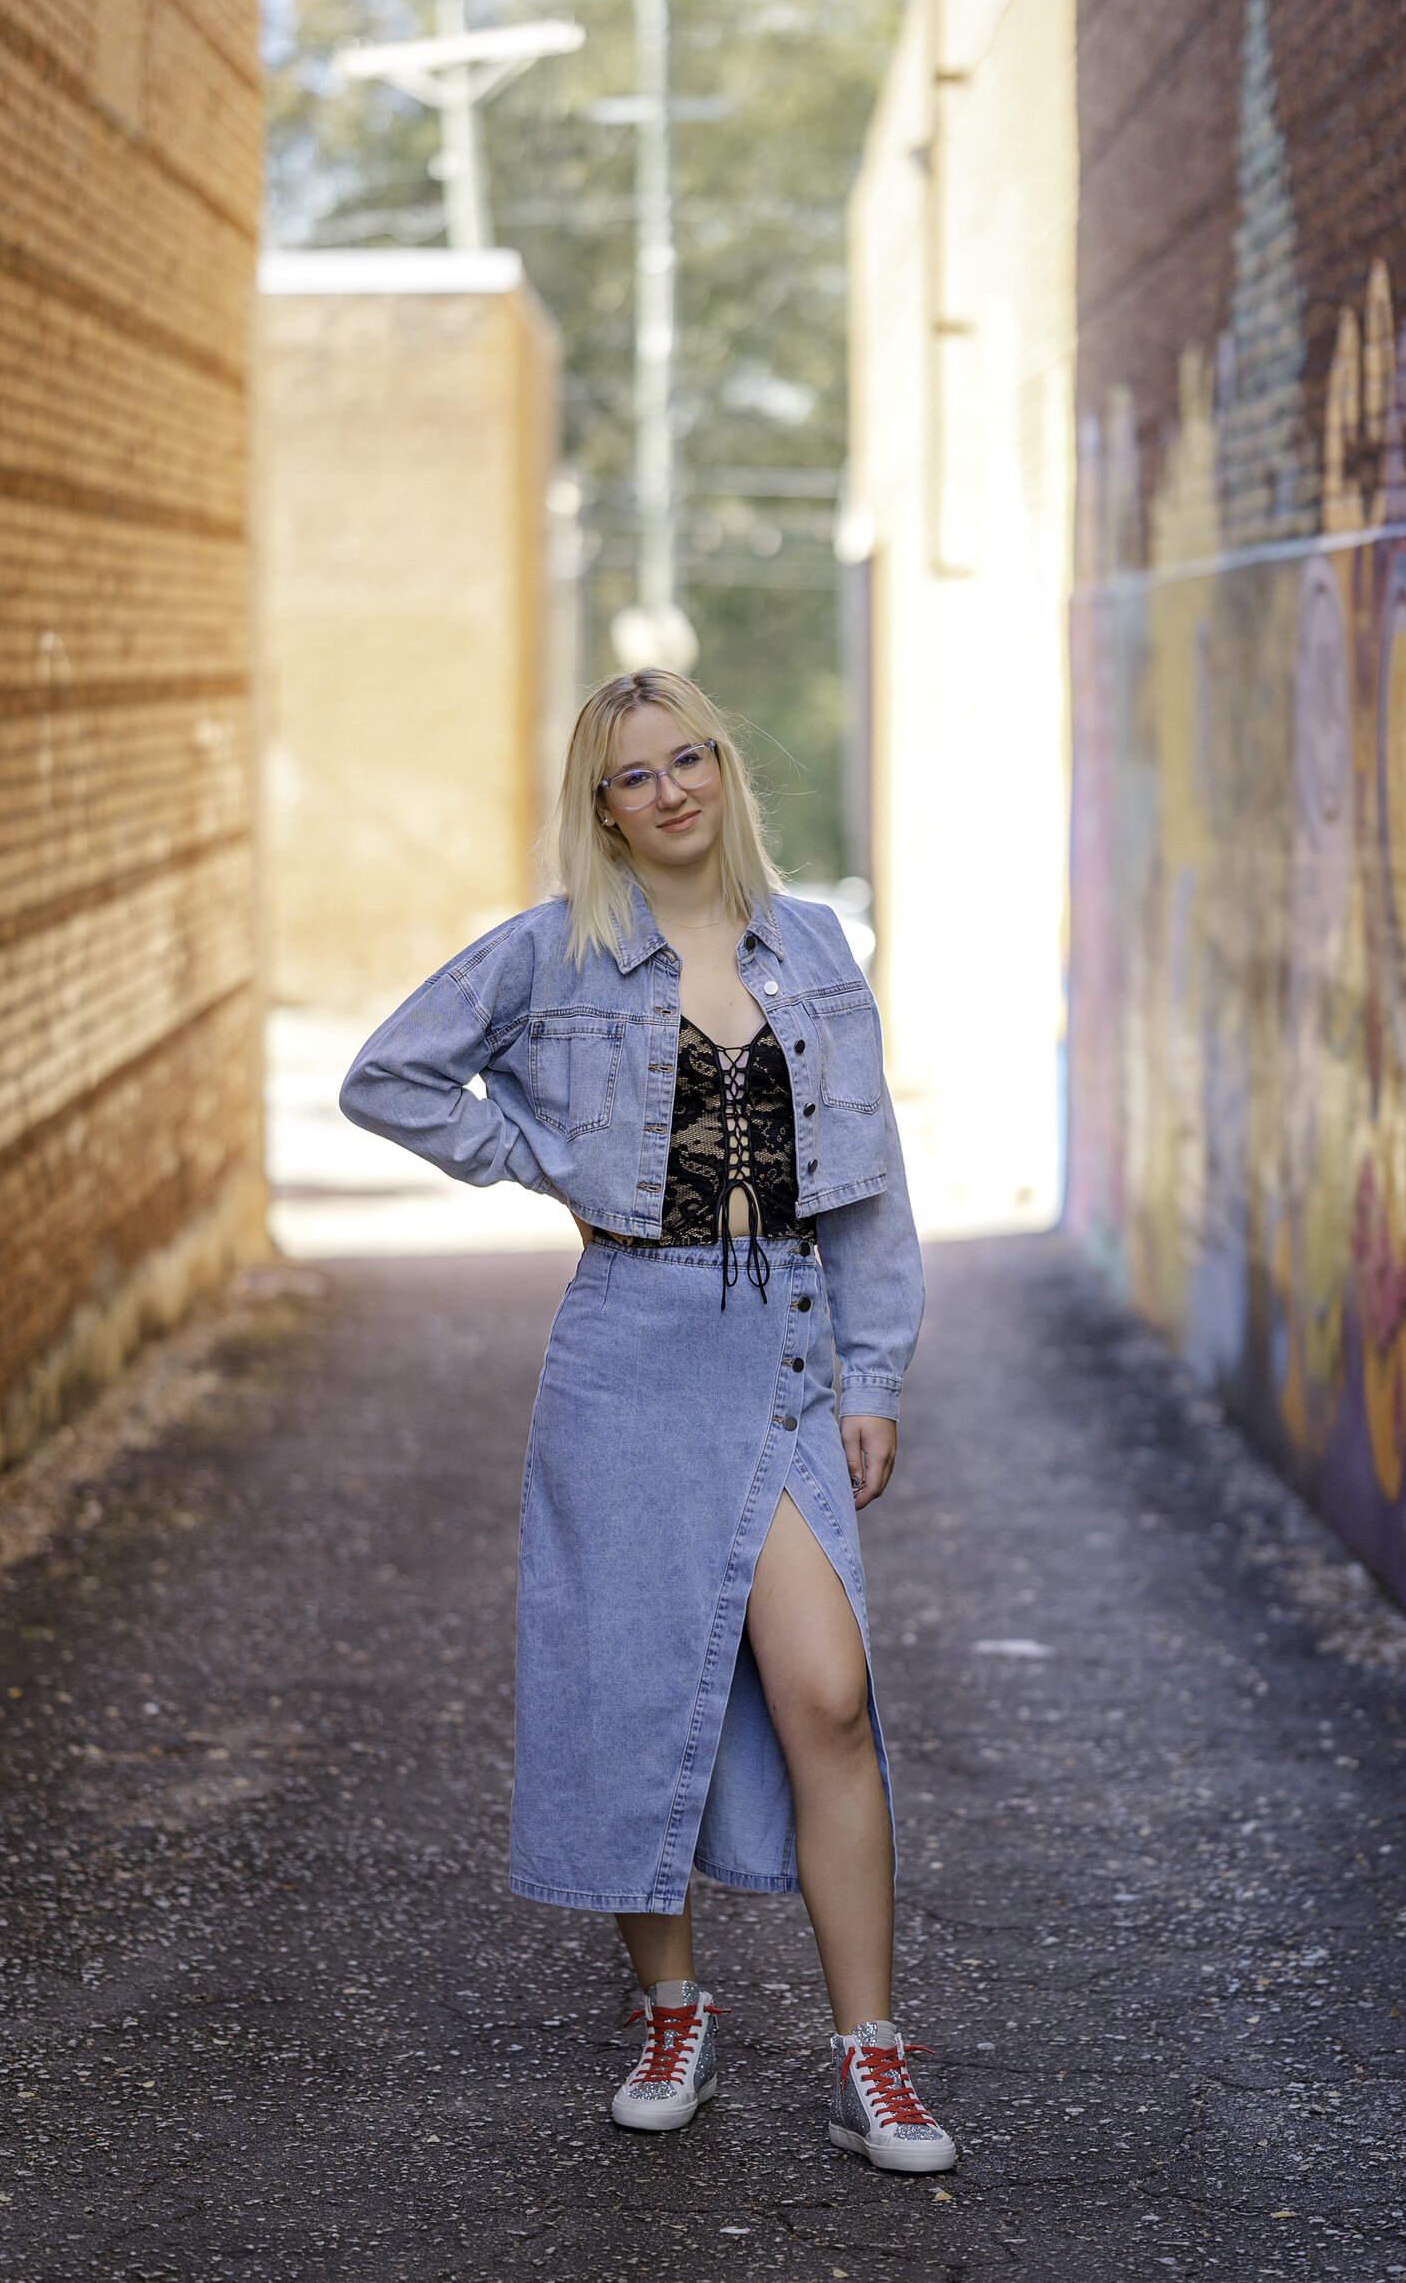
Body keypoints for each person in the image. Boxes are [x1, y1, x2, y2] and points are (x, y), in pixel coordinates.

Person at [340, 667, 955, 2173]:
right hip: (627, 1349)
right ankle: (671, 2007)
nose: (671, 788)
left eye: (689, 758)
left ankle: (870, 2057)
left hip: (791, 1351)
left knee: (825, 1694)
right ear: (601, 809)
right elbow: (391, 1075)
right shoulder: (554, 953)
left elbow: (869, 1186)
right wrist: (537, 1156)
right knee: (634, 1690)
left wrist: (872, 1374)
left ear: (723, 772)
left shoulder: (810, 947)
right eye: (635, 775)